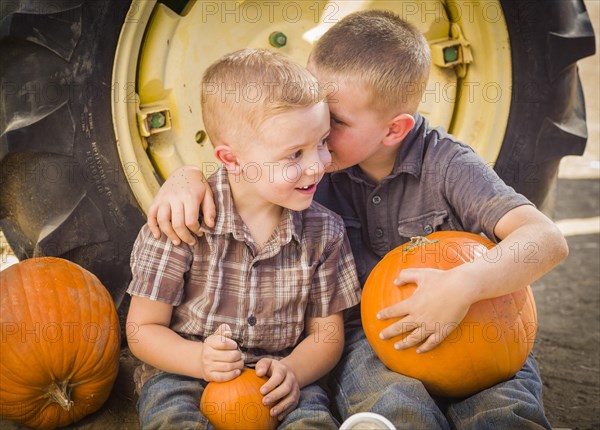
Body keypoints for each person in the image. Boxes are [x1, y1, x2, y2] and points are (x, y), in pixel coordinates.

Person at [146, 10, 569, 429]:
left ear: (393, 129)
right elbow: (252, 166)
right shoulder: (316, 167)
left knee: (504, 411)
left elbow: (545, 239)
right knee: (392, 407)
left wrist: (464, 285)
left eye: (336, 121)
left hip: (478, 323)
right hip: (374, 335)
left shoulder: (448, 164)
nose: (319, 132)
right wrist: (186, 178)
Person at [126, 48, 361, 430]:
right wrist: (199, 359)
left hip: (280, 375)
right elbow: (142, 331)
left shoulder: (325, 233)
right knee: (172, 421)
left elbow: (327, 335)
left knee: (312, 423)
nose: (317, 164)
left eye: (321, 142)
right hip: (185, 374)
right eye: (294, 155)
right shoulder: (182, 222)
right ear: (232, 160)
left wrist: (294, 372)